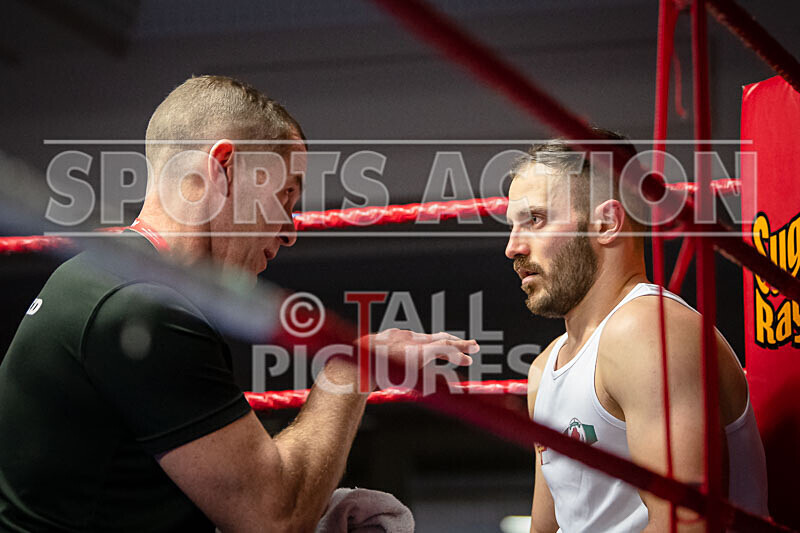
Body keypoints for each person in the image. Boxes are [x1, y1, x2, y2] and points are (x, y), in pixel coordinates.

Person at [0, 75, 478, 532]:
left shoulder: (92, 278)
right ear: (223, 167)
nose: (291, 230)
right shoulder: (144, 309)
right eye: (285, 196)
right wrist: (350, 370)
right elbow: (273, 518)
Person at [504, 130, 768, 532]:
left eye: (535, 220)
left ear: (607, 223)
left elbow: (687, 526)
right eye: (512, 226)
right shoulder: (544, 368)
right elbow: (546, 528)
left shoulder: (647, 330)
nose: (512, 247)